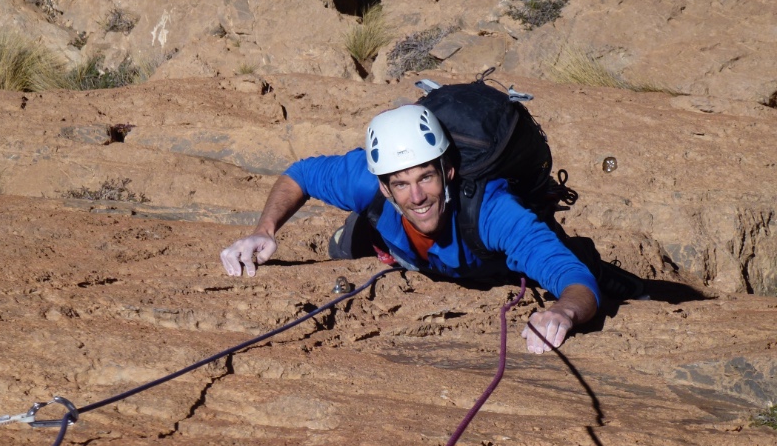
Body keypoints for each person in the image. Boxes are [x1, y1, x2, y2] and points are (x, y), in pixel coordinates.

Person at [221, 104, 644, 354]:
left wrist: (564, 310)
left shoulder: (493, 212)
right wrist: (265, 229)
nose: (417, 195)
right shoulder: (365, 178)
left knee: (584, 273)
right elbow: (300, 174)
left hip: (485, 262)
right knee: (344, 249)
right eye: (400, 184)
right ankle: (374, 235)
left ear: (449, 170)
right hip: (402, 247)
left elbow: (571, 280)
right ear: (384, 186)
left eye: (426, 178)